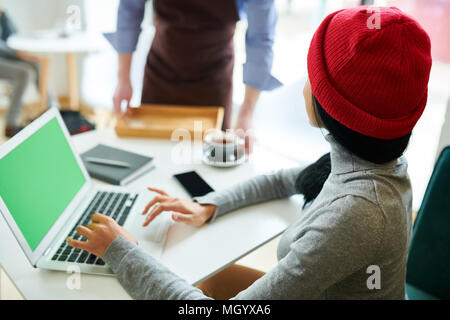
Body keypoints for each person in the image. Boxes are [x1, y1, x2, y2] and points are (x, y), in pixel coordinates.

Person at [68, 6, 432, 299]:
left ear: (334, 106)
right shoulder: (372, 160)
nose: (304, 85)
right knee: (201, 274)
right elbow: (286, 180)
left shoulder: (356, 215)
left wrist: (122, 251)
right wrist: (210, 205)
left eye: (312, 76)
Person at [106, 0, 281, 132]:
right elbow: (129, 10)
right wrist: (123, 79)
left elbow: (260, 39)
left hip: (213, 80)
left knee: (208, 166)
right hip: (160, 76)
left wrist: (246, 114)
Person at [0, 8, 44, 137]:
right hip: (3, 57)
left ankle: (51, 108)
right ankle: (11, 124)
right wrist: (19, 54)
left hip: (5, 56)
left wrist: (4, 16)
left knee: (36, 64)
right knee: (24, 72)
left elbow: (13, 35)